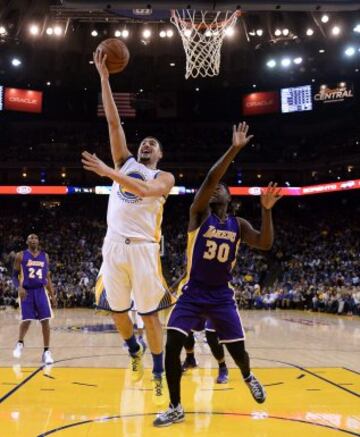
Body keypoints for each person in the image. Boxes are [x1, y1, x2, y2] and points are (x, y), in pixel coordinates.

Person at [154, 122, 282, 427]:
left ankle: (248, 376)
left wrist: (266, 210)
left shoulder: (239, 225)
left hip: (221, 297)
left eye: (221, 189)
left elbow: (265, 243)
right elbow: (213, 177)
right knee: (172, 345)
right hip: (192, 293)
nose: (215, 190)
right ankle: (175, 406)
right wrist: (234, 149)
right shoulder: (198, 215)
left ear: (230, 197)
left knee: (238, 352)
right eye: (213, 188)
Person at [82, 49, 175, 405]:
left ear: (160, 154)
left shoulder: (162, 176)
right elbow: (113, 123)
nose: (146, 143)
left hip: (143, 248)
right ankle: (132, 349)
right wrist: (104, 79)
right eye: (144, 142)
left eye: (153, 143)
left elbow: (146, 190)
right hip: (114, 245)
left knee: (150, 316)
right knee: (118, 311)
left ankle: (157, 371)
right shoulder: (126, 161)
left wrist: (108, 173)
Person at [12, 234, 57, 365]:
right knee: (26, 320)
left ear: (38, 241)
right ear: (27, 241)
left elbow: (47, 277)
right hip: (27, 291)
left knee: (45, 321)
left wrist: (52, 295)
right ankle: (20, 343)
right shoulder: (20, 256)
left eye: (35, 238)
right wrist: (18, 287)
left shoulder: (45, 256)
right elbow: (14, 276)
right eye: (30, 238)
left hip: (41, 291)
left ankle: (46, 352)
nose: (33, 240)